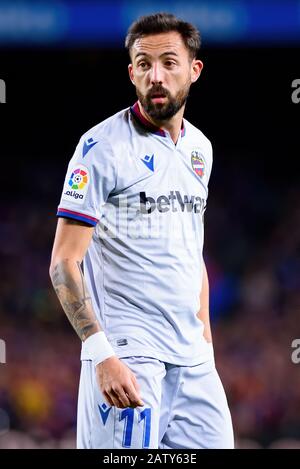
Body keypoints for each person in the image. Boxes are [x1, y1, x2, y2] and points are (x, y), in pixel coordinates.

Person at [49, 12, 234, 449]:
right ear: (131, 72)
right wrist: (100, 354)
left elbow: (193, 255)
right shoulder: (101, 148)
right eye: (144, 64)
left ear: (194, 70)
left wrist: (205, 345)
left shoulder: (199, 150)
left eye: (169, 62)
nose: (156, 76)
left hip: (193, 362)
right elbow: (63, 263)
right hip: (128, 355)